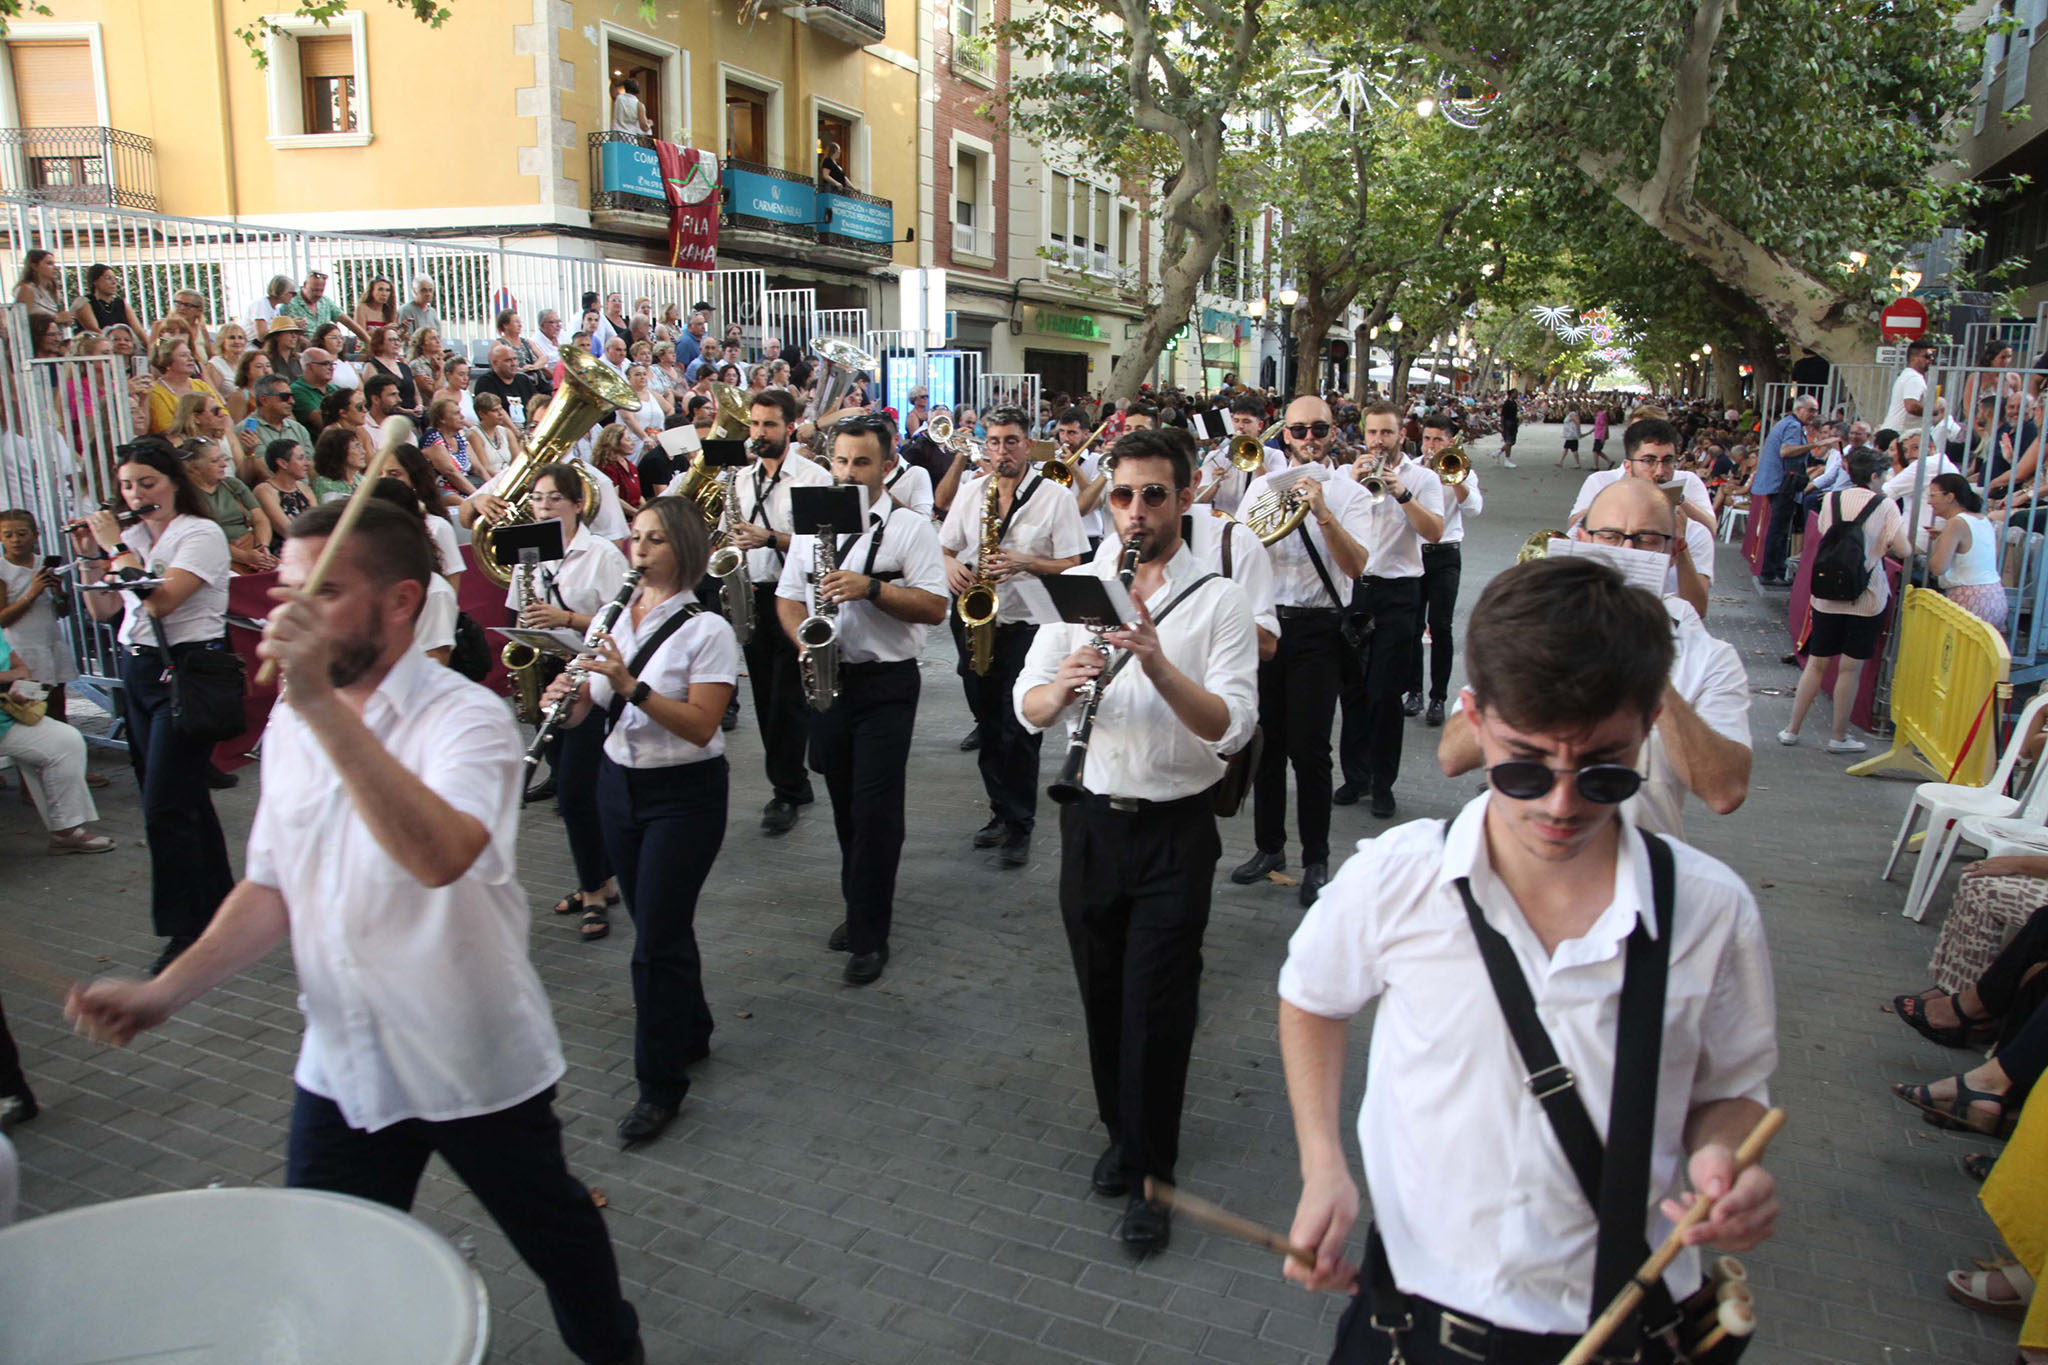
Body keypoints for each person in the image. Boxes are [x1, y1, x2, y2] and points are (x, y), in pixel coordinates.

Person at [67, 500, 647, 1365]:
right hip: (343, 1063)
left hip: (469, 1057)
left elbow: (441, 855)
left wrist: (320, 709)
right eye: (290, 592)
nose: (288, 616)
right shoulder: (303, 718)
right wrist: (164, 991)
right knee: (325, 1263)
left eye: (325, 593)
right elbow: (274, 884)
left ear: (403, 602)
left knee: (558, 1239)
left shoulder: (466, 718)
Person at [1278, 555, 1779, 1363]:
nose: (1560, 803)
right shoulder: (1399, 876)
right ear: (1473, 716)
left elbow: (1733, 1089)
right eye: (1523, 764)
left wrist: (1724, 1155)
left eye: (1607, 769)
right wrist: (1323, 1161)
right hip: (1412, 1317)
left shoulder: (1709, 909)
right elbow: (1312, 995)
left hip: (1622, 1324)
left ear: (1652, 723)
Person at [1015, 430, 1258, 1249]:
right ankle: (1124, 1133)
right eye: (1122, 495)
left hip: (1173, 831)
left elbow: (1231, 726)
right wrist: (1062, 684)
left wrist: (1155, 663)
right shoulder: (1083, 588)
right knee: (1103, 993)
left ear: (1185, 498)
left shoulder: (1219, 598)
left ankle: (1153, 1173)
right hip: (1087, 819)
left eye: (1154, 494)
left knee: (1158, 1006)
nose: (1136, 511)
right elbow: (1028, 708)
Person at [538, 499, 734, 1149]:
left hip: (685, 794)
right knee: (660, 921)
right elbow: (587, 710)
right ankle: (695, 1026)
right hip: (617, 784)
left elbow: (702, 724)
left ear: (683, 549)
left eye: (654, 540)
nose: (639, 550)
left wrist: (629, 685)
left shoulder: (708, 630)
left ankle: (659, 1085)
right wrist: (557, 702)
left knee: (652, 940)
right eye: (636, 538)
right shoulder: (609, 615)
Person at [1440, 478, 1753, 839]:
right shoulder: (1539, 624)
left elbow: (1725, 791)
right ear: (1583, 540)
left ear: (1673, 551)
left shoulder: (1710, 656)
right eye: (1610, 536)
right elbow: (1453, 756)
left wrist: (1644, 656)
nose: (1628, 550)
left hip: (1638, 867)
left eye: (1648, 539)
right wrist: (1547, 645)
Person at [771, 415, 948, 985]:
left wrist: (872, 588)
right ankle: (860, 906)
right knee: (846, 804)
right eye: (841, 461)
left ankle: (871, 933)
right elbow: (788, 596)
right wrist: (804, 638)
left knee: (875, 811)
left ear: (886, 464)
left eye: (862, 462)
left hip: (886, 684)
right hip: (827, 676)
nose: (849, 472)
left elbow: (934, 606)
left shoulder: (909, 528)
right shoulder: (811, 524)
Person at [69, 438, 236, 973]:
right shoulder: (134, 537)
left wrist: (117, 547)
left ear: (173, 483)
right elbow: (101, 609)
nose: (136, 494)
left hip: (187, 670)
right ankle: (220, 907)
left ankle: (185, 930)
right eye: (126, 486)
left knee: (163, 804)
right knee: (179, 797)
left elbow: (161, 600)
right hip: (138, 667)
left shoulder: (200, 533)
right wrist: (95, 556)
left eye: (147, 483)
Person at [1232, 395, 1373, 906]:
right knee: (1264, 741)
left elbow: (1357, 567)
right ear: (1283, 436)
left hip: (1319, 628)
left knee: (1310, 749)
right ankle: (1270, 847)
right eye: (1297, 431)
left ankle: (1317, 859)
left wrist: (1322, 512)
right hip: (1269, 627)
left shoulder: (1351, 492)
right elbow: (1241, 552)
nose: (1308, 439)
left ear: (1333, 432)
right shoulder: (1262, 489)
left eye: (1318, 429)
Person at [939, 405, 1089, 869]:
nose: (1001, 451)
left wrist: (1024, 562)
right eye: (994, 442)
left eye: (1010, 441)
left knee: (1019, 727)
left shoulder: (1055, 497)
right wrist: (950, 567)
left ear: (1028, 444)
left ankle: (1021, 823)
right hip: (978, 621)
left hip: (1030, 623)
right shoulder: (972, 492)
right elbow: (945, 546)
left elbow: (1073, 564)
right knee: (988, 724)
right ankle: (999, 811)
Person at [511, 463, 631, 940]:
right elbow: (517, 611)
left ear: (578, 503)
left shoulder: (601, 555)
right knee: (569, 790)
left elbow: (622, 623)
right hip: (548, 679)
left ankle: (596, 889)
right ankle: (598, 879)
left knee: (579, 793)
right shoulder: (528, 555)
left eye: (552, 499)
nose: (542, 508)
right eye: (536, 500)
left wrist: (565, 617)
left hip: (590, 681)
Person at [725, 388, 835, 834]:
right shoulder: (739, 479)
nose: (759, 433)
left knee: (787, 702)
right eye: (754, 424)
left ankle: (786, 790)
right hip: (751, 594)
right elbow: (729, 533)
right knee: (764, 697)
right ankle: (792, 782)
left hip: (793, 598)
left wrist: (769, 538)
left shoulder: (813, 477)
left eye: (769, 424)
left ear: (790, 426)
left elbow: (823, 544)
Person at [1336, 401, 1444, 821]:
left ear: (1403, 435)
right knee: (1353, 690)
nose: (1378, 441)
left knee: (1384, 694)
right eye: (1372, 433)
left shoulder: (1424, 478)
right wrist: (1355, 487)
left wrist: (1402, 493)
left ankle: (1384, 783)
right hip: (1356, 589)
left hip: (1399, 591)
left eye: (1387, 433)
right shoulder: (1349, 475)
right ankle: (1355, 776)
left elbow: (1434, 532)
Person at [1780, 478, 1912, 752]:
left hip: (1826, 594)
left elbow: (1823, 530)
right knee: (1849, 670)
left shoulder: (1830, 500)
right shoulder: (1885, 504)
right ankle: (1838, 737)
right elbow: (1904, 548)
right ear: (1875, 476)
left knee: (1816, 663)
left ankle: (1792, 729)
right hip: (1867, 597)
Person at [1568, 418, 1716, 617]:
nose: (1659, 472)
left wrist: (1680, 546)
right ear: (1628, 466)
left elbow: (1698, 610)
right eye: (1649, 461)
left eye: (1668, 461)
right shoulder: (1594, 522)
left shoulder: (1694, 532)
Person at [0, 631, 113, 854]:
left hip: (6, 719)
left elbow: (22, 669)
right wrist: (7, 678)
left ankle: (65, 831)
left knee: (66, 740)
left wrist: (13, 681)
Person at [1408, 413, 1479, 727]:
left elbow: (1474, 509)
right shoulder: (1411, 467)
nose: (1430, 445)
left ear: (1450, 442)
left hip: (1446, 554)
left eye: (1437, 440)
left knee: (1440, 626)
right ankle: (1414, 692)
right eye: (1427, 439)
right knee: (1411, 626)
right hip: (1414, 554)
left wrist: (1456, 478)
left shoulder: (1459, 466)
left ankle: (1438, 697)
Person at [0, 508, 81, 723]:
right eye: (8, 535)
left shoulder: (43, 564)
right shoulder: (2, 569)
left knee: (56, 706)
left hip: (49, 642)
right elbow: (3, 620)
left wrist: (58, 591)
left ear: (36, 535)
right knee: (27, 711)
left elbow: (62, 612)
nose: (16, 540)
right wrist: (33, 593)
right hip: (21, 648)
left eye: (22, 534)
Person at [179, 422, 277, 574]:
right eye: (214, 461)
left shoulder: (232, 484)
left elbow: (260, 519)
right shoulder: (187, 497)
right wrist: (245, 557)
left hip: (252, 549)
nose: (224, 465)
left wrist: (262, 547)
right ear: (194, 468)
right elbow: (206, 540)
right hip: (218, 558)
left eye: (222, 458)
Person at [145, 338, 221, 435]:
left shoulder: (201, 385)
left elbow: (223, 416)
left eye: (190, 354)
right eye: (183, 355)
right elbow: (167, 430)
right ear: (167, 362)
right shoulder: (155, 391)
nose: (191, 359)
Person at [279, 266, 369, 349]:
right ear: (305, 285)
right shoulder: (290, 303)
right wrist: (317, 350)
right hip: (304, 352)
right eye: (314, 290)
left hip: (328, 349)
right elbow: (292, 335)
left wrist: (368, 340)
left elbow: (348, 322)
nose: (318, 294)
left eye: (321, 290)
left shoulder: (325, 301)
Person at [253, 438, 314, 553]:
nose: (307, 463)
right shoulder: (264, 490)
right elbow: (289, 531)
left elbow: (319, 523)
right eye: (300, 458)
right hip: (285, 553)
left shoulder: (304, 487)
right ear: (283, 463)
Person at [75, 263, 147, 338]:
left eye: (114, 279)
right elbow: (94, 330)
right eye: (108, 278)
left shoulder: (121, 303)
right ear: (95, 281)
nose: (114, 282)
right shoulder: (85, 302)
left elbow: (138, 331)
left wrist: (150, 347)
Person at [1885, 338, 1935, 434]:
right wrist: (1934, 411)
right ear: (1913, 358)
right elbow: (1911, 406)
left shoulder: (1908, 375)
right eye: (1927, 356)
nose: (1931, 360)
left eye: (1933, 356)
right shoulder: (1914, 378)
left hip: (1897, 432)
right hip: (1899, 434)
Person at [1496, 391, 1519, 467]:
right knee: (1509, 441)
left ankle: (1498, 452)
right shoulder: (1507, 403)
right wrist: (1502, 426)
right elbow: (1503, 415)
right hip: (1508, 423)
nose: (1517, 394)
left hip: (1513, 423)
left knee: (1511, 442)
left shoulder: (1514, 403)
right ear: (1511, 394)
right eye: (1515, 393)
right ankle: (1507, 460)